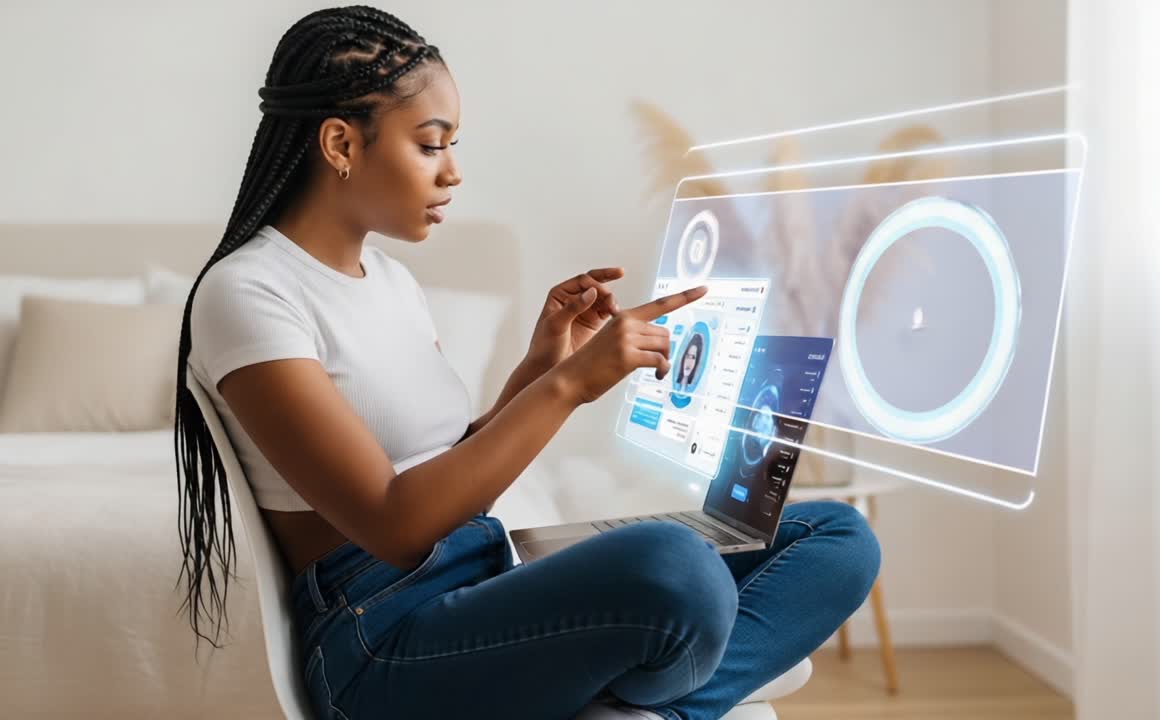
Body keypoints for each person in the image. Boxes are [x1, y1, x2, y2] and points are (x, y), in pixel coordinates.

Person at [173, 6, 880, 720]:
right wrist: (569, 388)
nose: (453, 171)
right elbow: (394, 523)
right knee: (678, 570)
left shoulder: (390, 282)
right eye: (429, 144)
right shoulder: (249, 293)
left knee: (838, 538)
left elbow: (449, 468)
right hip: (379, 637)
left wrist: (541, 368)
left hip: (478, 573)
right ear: (340, 143)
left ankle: (646, 712)